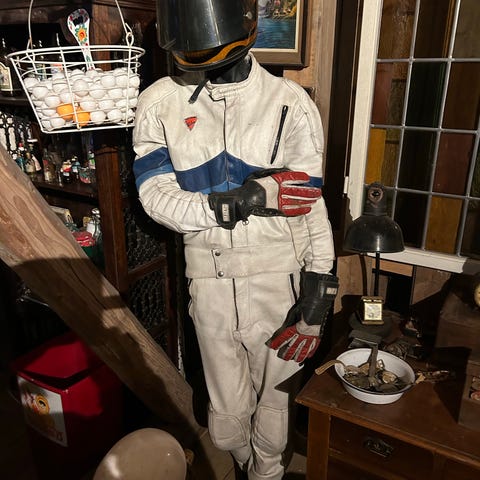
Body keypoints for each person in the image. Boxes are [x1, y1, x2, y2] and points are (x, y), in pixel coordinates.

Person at [132, 2, 338, 479]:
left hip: (278, 278)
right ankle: (247, 466)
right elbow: (155, 198)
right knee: (226, 420)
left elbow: (311, 207)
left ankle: (266, 473)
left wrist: (319, 292)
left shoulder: (289, 103)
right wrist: (234, 203)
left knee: (276, 409)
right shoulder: (159, 103)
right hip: (210, 280)